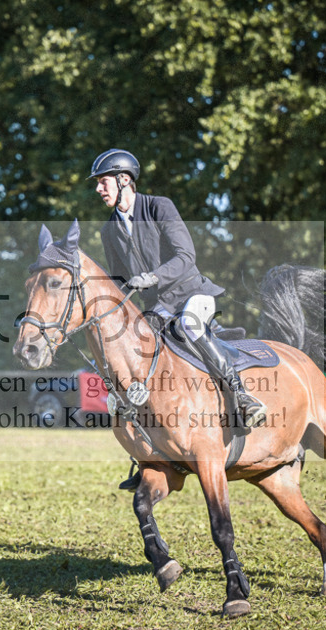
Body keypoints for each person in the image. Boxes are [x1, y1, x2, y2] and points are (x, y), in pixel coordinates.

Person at [88, 149, 268, 490]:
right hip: (156, 309)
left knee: (189, 325)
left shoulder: (159, 207)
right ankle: (146, 452)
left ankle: (242, 396)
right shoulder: (109, 230)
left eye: (103, 181)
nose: (99, 189)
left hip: (191, 294)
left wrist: (153, 277)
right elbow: (119, 281)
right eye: (98, 183)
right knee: (134, 353)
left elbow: (186, 256)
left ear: (124, 180)